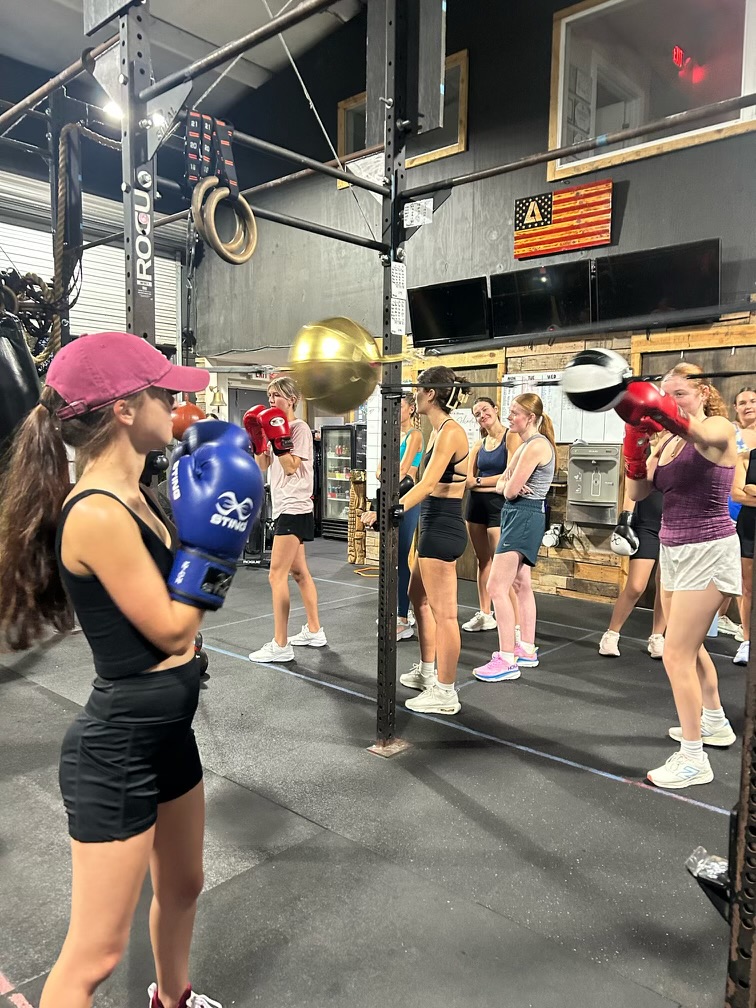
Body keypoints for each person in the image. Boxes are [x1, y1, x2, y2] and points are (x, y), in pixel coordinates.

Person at [0, 331, 263, 1008]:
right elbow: (174, 627)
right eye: (164, 393)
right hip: (117, 750)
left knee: (184, 885)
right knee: (94, 955)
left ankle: (170, 999)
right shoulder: (96, 512)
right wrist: (220, 543)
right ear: (123, 408)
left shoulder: (142, 490)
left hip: (168, 731)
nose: (176, 405)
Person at [621, 361, 739, 789]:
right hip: (673, 549)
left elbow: (703, 436)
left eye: (679, 394)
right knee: (688, 647)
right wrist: (635, 444)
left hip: (709, 548)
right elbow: (638, 492)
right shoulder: (665, 442)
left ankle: (694, 759)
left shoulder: (719, 428)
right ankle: (715, 721)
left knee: (674, 652)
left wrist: (664, 412)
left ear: (704, 392)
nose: (670, 401)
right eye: (665, 394)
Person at [396, 366, 470, 715]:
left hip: (443, 526)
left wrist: (392, 510)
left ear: (429, 394)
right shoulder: (438, 431)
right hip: (433, 522)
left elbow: (427, 486)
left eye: (417, 390)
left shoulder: (451, 432)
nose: (413, 397)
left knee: (446, 616)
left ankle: (446, 691)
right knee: (417, 598)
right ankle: (429, 671)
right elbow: (426, 481)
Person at [473, 394, 556, 682]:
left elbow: (507, 490)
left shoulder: (535, 447)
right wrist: (505, 484)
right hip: (519, 514)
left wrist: (506, 485)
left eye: (514, 413)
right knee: (521, 584)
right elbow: (503, 482)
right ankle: (527, 649)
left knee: (496, 586)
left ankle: (507, 659)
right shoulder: (524, 445)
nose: (509, 417)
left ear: (530, 417)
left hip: (523, 515)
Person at [246, 377, 325, 663]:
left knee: (275, 575)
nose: (271, 399)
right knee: (299, 573)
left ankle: (280, 645)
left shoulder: (299, 428)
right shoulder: (271, 429)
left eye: (276, 395)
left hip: (295, 506)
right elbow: (263, 466)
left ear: (291, 399)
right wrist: (258, 440)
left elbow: (292, 467)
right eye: (268, 395)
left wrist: (277, 438)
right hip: (283, 507)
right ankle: (315, 630)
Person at [360, 392, 423, 641]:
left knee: (399, 554)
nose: (395, 413)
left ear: (411, 410)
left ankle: (404, 618)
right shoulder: (393, 437)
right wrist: (388, 472)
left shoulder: (415, 435)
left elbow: (404, 470)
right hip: (390, 499)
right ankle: (399, 610)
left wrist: (389, 472)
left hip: (407, 499)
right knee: (390, 556)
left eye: (400, 408)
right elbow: (378, 471)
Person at [462, 396, 521, 636]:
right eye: (477, 413)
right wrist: (487, 483)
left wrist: (480, 482)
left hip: (500, 507)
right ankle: (486, 614)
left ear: (495, 410)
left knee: (501, 565)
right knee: (482, 560)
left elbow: (510, 476)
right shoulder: (479, 444)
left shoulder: (511, 437)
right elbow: (467, 481)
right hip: (475, 507)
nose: (482, 415)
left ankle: (516, 625)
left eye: (485, 409)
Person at [598, 486, 666, 659]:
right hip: (646, 524)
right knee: (636, 586)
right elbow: (635, 484)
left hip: (675, 524)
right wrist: (625, 519)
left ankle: (657, 637)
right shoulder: (652, 458)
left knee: (666, 585)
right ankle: (611, 635)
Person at [732, 388, 756, 666]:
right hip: (740, 520)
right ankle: (746, 640)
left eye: (753, 401)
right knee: (745, 586)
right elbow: (737, 492)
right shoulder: (733, 438)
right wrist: (746, 489)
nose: (748, 406)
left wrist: (752, 489)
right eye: (742, 402)